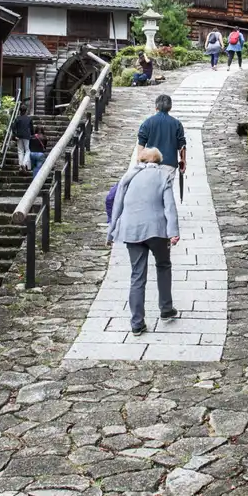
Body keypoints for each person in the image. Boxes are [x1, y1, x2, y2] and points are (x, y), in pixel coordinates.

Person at [107, 147, 180, 335]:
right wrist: (173, 232)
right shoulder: (163, 176)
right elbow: (169, 206)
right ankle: (166, 309)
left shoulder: (128, 177)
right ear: (158, 161)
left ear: (141, 160)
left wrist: (111, 231)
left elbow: (117, 203)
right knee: (163, 265)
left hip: (131, 230)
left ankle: (137, 322)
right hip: (156, 230)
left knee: (137, 275)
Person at [136, 93, 186, 182]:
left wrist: (139, 162)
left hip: (150, 163)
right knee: (167, 190)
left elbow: (141, 144)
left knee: (152, 191)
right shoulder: (177, 124)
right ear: (170, 108)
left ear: (156, 107)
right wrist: (183, 160)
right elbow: (182, 146)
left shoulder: (148, 122)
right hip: (169, 164)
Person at [12, 103, 34, 168]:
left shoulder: (17, 118)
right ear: (26, 110)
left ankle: (20, 165)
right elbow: (32, 128)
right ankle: (24, 164)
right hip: (26, 136)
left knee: (20, 151)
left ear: (20, 111)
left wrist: (14, 134)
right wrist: (32, 134)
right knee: (27, 150)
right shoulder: (29, 118)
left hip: (18, 136)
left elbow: (13, 127)